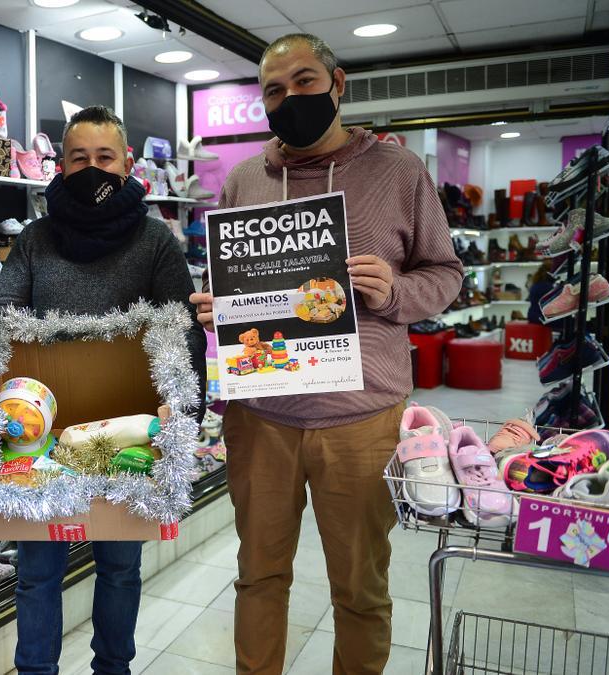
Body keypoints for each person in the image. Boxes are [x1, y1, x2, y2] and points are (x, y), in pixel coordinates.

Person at [190, 34, 463, 674]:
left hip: (363, 417)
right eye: (275, 91)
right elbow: (231, 285)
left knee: (360, 592)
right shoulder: (245, 179)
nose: (291, 99)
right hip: (260, 418)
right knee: (258, 577)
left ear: (338, 84)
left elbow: (445, 274)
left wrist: (395, 290)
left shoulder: (399, 172)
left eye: (305, 82)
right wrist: (217, 308)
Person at [0, 105, 205, 675]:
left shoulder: (156, 241)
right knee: (37, 572)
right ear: (60, 166)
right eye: (78, 158)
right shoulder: (35, 239)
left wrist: (187, 407)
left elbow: (182, 328)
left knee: (119, 567)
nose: (92, 169)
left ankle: (113, 668)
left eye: (104, 158)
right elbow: (2, 314)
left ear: (127, 162)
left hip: (129, 431)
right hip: (40, 431)